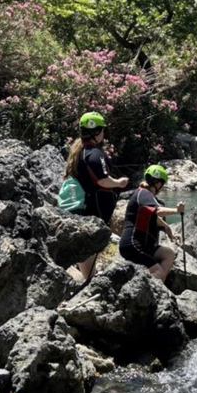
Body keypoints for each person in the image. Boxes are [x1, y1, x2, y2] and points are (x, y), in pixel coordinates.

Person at [64, 112, 129, 279]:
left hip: (82, 206)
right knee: (91, 246)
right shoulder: (95, 154)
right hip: (94, 208)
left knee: (86, 247)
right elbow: (102, 181)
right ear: (98, 132)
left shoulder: (79, 152)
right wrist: (119, 182)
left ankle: (88, 277)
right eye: (102, 131)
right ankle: (89, 279)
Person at [119, 165, 185, 282]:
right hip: (133, 244)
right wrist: (177, 211)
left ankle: (159, 287)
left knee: (169, 254)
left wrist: (166, 226)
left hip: (144, 245)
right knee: (157, 272)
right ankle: (153, 290)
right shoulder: (144, 193)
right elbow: (157, 211)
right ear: (158, 183)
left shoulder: (144, 194)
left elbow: (151, 215)